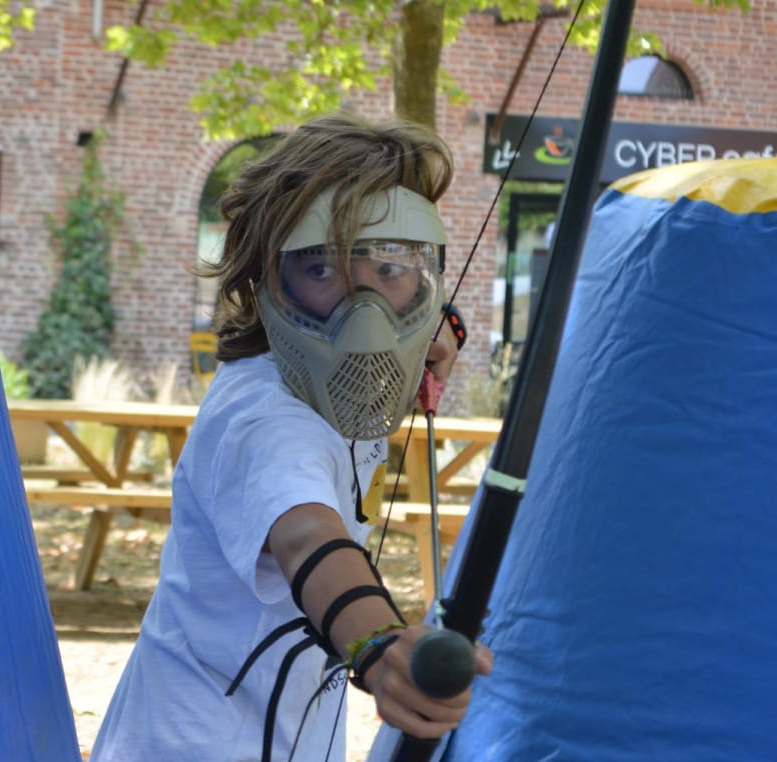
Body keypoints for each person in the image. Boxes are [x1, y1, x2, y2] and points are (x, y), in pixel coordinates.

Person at [91, 111, 493, 762]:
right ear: (267, 277)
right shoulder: (262, 415)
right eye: (322, 271)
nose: (361, 318)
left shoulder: (338, 388)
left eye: (389, 270)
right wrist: (378, 644)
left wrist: (431, 332)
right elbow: (308, 533)